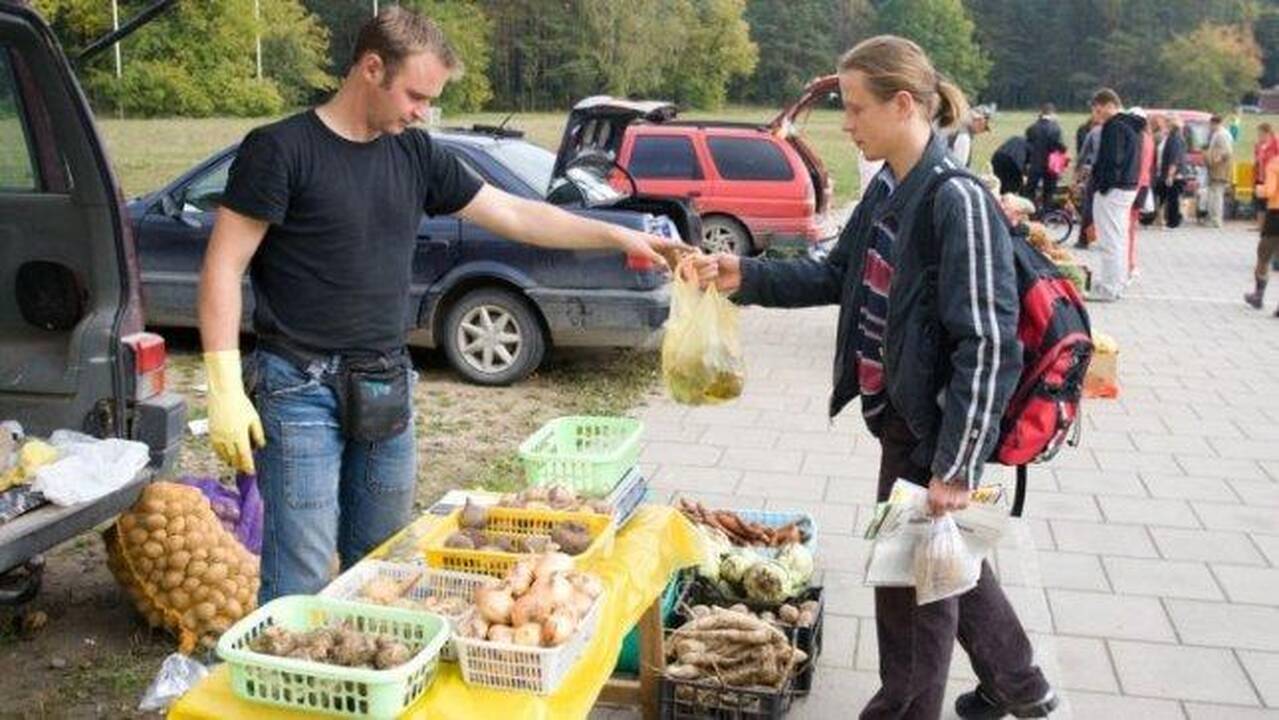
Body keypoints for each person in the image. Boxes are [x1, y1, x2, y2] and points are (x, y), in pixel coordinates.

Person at [198, 7, 684, 603]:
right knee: (300, 569)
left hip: (384, 378)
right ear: (371, 69)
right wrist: (223, 383)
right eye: (416, 95)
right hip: (298, 385)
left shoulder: (416, 154)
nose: (422, 111)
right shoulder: (280, 150)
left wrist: (617, 236)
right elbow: (223, 266)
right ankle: (284, 684)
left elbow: (513, 213)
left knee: (384, 562)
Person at [689, 34, 1058, 720]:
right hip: (899, 417)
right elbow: (836, 273)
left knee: (910, 595)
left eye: (855, 109)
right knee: (947, 564)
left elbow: (986, 344)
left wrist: (954, 464)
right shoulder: (890, 186)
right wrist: (746, 276)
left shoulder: (955, 200)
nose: (845, 124)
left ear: (901, 104)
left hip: (934, 431)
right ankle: (1022, 688)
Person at [1088, 88, 1142, 301]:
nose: (1097, 115)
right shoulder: (1131, 125)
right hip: (1127, 187)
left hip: (1114, 189)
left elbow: (1113, 160)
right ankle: (1116, 282)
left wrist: (1102, 185)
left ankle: (1109, 287)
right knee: (1118, 238)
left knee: (1109, 239)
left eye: (1099, 109)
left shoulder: (1114, 126)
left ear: (1109, 105)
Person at [1245, 149, 1279, 314]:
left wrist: (1260, 189)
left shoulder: (1275, 163)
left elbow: (1270, 190)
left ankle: (1258, 295)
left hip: (1276, 216)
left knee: (1263, 256)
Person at [1127, 107, 1154, 282]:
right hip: (1143, 185)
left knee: (1125, 229)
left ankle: (1127, 263)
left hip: (1132, 185)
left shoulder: (1134, 138)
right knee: (1132, 229)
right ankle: (1131, 262)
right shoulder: (1149, 139)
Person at [1024, 103, 1064, 211]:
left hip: (1035, 164)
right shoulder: (1056, 129)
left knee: (1030, 191)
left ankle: (1031, 213)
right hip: (1051, 166)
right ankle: (1045, 214)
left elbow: (1027, 146)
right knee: (1048, 192)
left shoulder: (1032, 128)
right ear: (1052, 113)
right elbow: (1059, 147)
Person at [1205, 114, 1234, 228]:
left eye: (1210, 124)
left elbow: (1227, 151)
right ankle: (1213, 218)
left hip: (1220, 168)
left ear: (1215, 123)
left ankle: (1216, 220)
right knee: (1214, 193)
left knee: (1217, 194)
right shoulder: (1218, 133)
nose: (1209, 127)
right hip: (1215, 168)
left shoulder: (1222, 135)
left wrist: (1217, 159)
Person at [1160, 114, 1188, 228]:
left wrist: (1170, 175)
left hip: (1175, 174)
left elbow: (1174, 159)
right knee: (1174, 198)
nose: (1165, 125)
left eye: (1167, 123)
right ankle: (1173, 220)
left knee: (1173, 199)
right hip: (1178, 173)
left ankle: (1173, 222)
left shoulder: (1173, 138)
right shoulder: (1178, 137)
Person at [948, 104, 992, 168]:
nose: (981, 131)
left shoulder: (955, 126)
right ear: (980, 121)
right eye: (984, 127)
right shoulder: (964, 137)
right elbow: (959, 167)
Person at [1253, 123, 1279, 222]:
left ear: (1267, 133)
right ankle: (1260, 225)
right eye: (1258, 134)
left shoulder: (1275, 142)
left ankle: (1270, 224)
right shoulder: (1258, 145)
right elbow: (1257, 158)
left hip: (1273, 176)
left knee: (1270, 200)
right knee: (1260, 202)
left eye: (1261, 133)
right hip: (1260, 176)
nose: (1259, 136)